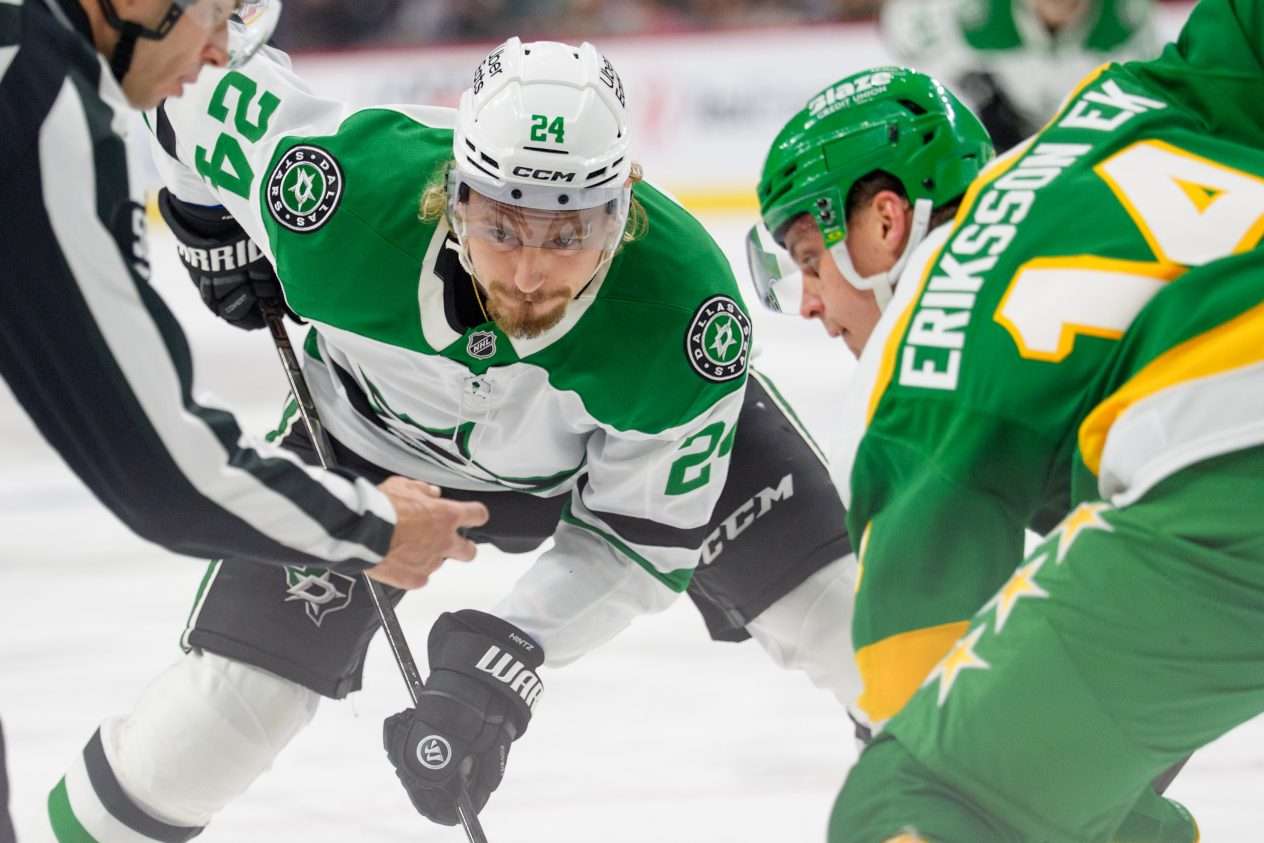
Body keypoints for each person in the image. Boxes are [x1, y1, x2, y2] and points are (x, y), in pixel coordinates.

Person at [45, 37, 863, 839]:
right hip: (366, 448)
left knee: (860, 631)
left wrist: (508, 651)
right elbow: (190, 76)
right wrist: (199, 213)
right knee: (201, 738)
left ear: (625, 207)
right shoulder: (331, 192)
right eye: (502, 228)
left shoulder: (686, 321)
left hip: (609, 454)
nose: (530, 276)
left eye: (568, 234)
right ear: (454, 193)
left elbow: (639, 536)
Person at [749, 0, 1264, 838]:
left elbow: (942, 735)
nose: (807, 303)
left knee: (902, 806)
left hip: (1233, 459)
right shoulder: (1120, 112)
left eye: (809, 260)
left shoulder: (914, 358)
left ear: (885, 223)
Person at [2, 0, 486, 839]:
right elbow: (161, 471)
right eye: (218, 17)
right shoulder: (43, 107)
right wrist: (373, 527)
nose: (222, 52)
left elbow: (192, 117)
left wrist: (199, 213)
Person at [882, 0, 1160, 152]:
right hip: (1006, 135)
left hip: (1085, 140)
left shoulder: (1126, 17)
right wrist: (968, 84)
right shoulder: (977, 12)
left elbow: (1147, 91)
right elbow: (903, 29)